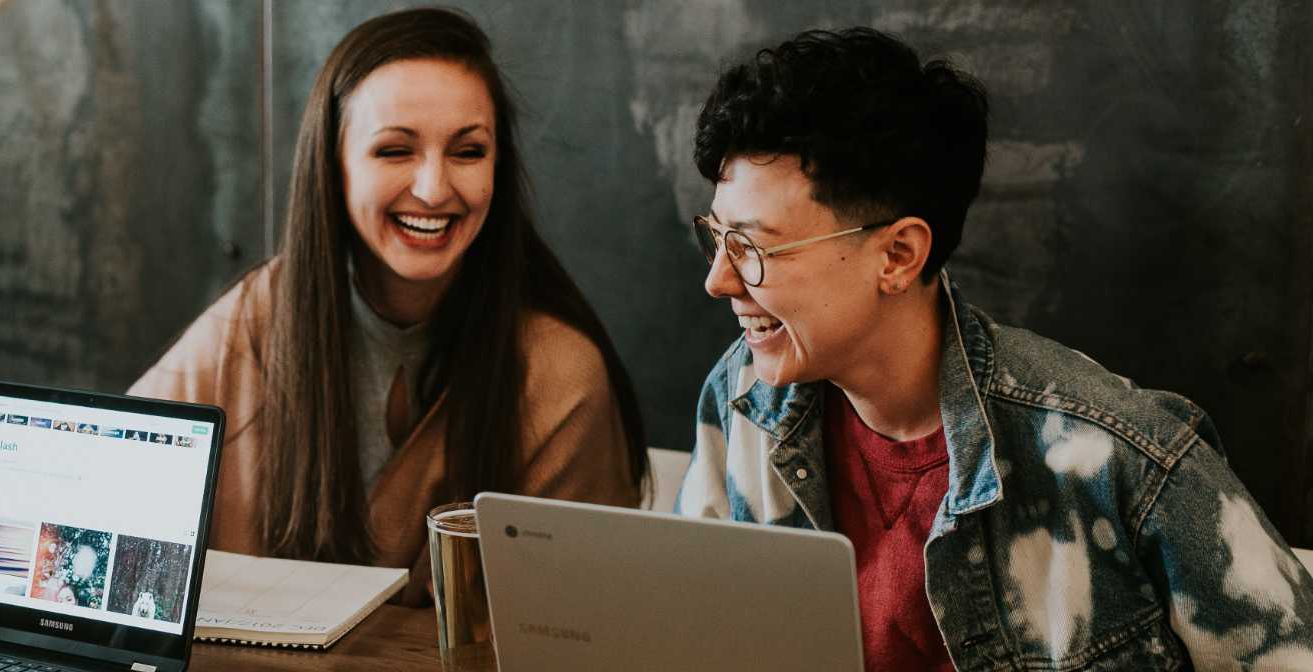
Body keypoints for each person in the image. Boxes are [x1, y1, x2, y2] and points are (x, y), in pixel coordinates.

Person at [674, 28, 1313, 669]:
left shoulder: (1118, 458)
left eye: (753, 249)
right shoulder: (742, 399)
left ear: (897, 255)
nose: (718, 280)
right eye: (716, 237)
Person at [131, 7, 646, 606]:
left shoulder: (560, 375)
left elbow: (582, 624)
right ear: (334, 165)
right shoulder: (254, 319)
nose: (433, 188)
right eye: (395, 151)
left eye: (468, 151)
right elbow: (108, 483)